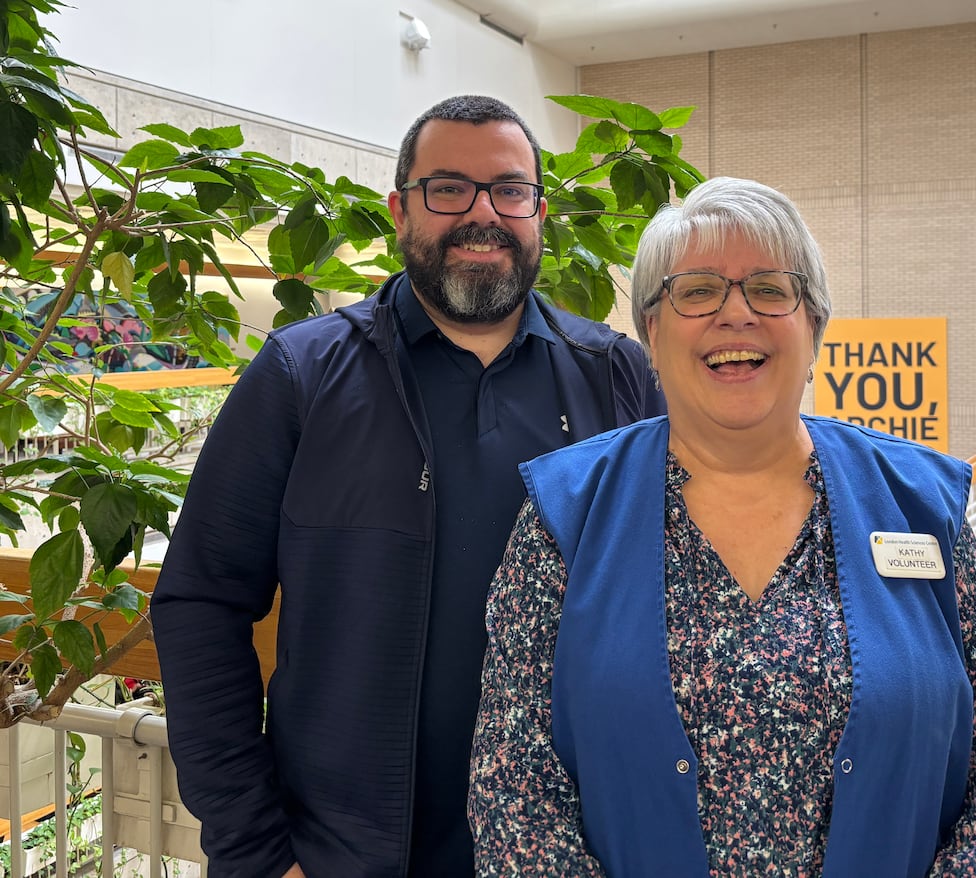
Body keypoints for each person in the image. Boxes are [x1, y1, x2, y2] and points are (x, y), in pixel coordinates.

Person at [468, 176, 976, 875]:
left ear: (814, 325)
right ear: (651, 334)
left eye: (771, 290)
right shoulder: (565, 514)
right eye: (696, 291)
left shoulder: (922, 507)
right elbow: (515, 792)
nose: (735, 314)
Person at [150, 95, 665, 878]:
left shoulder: (614, 374)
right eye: (448, 188)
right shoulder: (302, 374)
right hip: (338, 854)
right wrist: (255, 849)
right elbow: (201, 603)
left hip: (572, 850)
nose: (482, 214)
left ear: (539, 212)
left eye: (509, 190)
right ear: (400, 210)